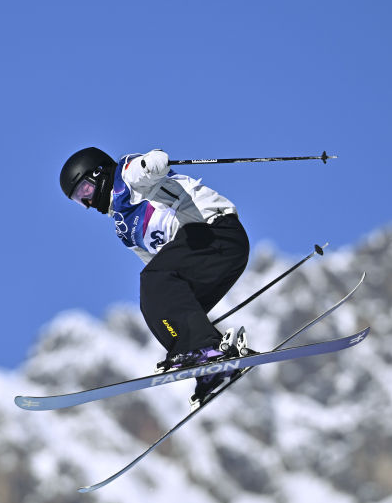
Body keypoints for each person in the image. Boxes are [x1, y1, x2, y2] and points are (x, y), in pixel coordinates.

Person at [59, 146, 251, 408]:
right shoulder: (125, 228)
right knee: (155, 305)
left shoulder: (126, 178)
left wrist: (150, 164)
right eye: (79, 200)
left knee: (154, 280)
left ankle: (205, 349)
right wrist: (162, 300)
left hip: (215, 233)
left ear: (98, 173)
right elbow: (158, 268)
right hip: (209, 258)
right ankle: (213, 365)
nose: (88, 203)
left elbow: (150, 165)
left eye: (85, 191)